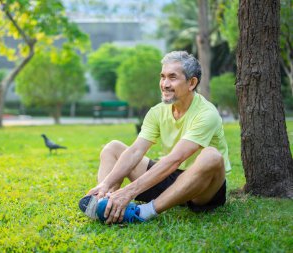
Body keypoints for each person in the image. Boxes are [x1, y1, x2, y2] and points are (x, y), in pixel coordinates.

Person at [79, 51, 231, 225]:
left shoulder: (206, 113)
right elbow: (136, 151)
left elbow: (176, 158)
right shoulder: (157, 112)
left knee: (211, 155)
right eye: (163, 77)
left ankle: (144, 212)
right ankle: (105, 202)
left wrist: (129, 191)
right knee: (113, 148)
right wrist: (106, 183)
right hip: (170, 176)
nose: (165, 84)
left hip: (202, 187)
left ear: (192, 83)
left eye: (172, 77)